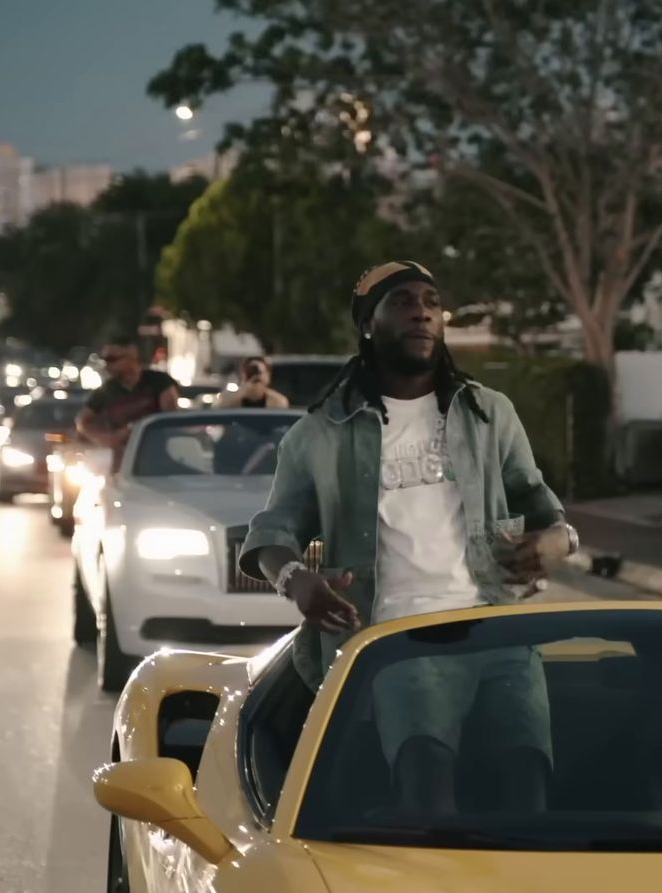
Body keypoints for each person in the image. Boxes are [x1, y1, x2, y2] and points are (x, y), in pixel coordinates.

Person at [240, 260, 579, 816]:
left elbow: (545, 509)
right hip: (396, 640)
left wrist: (554, 541)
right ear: (368, 325)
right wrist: (295, 580)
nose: (421, 310)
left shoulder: (489, 414)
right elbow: (272, 532)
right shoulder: (321, 434)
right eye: (402, 302)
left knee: (529, 787)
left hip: (499, 631)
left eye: (431, 300)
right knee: (426, 790)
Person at [75, 335, 181, 467]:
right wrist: (104, 438)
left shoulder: (159, 381)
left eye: (112, 359)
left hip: (158, 461)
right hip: (123, 465)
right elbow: (82, 421)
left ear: (132, 356)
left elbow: (170, 420)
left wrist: (132, 429)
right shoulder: (107, 389)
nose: (107, 365)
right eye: (104, 360)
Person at [217, 356, 289, 409]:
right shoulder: (232, 399)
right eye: (250, 372)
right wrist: (243, 388)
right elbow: (222, 409)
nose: (255, 376)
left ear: (268, 376)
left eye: (259, 372)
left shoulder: (278, 401)